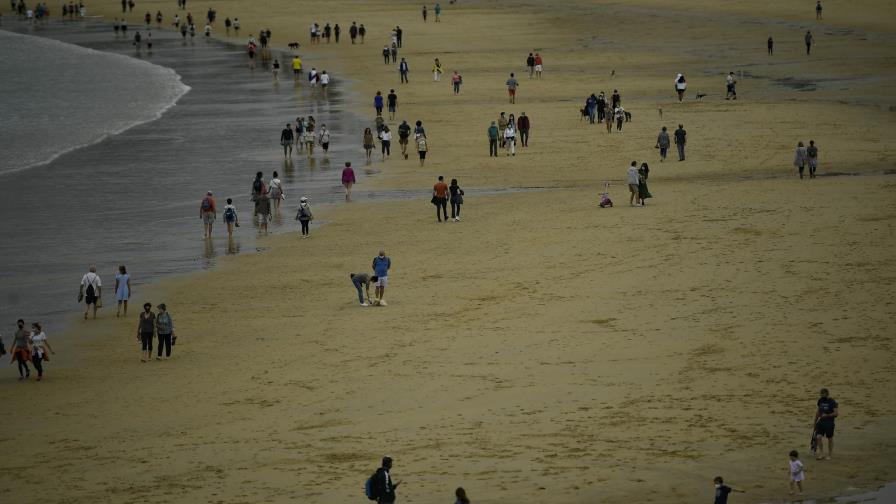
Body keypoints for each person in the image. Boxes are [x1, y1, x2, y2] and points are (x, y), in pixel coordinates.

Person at [814, 387, 839, 459]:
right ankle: (821, 453)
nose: (821, 395)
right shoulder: (820, 401)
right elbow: (818, 411)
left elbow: (836, 413)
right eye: (820, 394)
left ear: (827, 394)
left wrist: (827, 415)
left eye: (822, 393)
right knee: (818, 437)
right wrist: (815, 421)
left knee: (830, 438)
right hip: (821, 422)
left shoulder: (832, 402)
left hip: (829, 423)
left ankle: (830, 454)